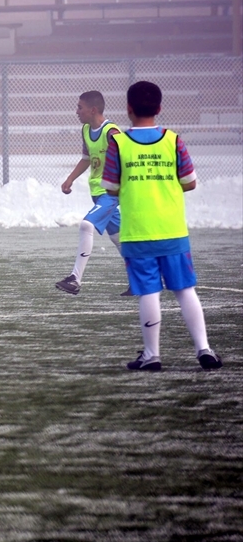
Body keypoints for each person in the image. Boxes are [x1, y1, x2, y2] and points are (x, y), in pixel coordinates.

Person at [102, 81, 221, 371]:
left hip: (138, 231)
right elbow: (189, 182)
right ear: (159, 108)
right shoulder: (173, 139)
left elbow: (110, 187)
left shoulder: (118, 143)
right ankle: (204, 349)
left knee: (149, 292)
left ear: (128, 109)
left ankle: (152, 354)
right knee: (185, 290)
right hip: (173, 230)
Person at [55, 91, 124, 295]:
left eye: (79, 107)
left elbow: (126, 159)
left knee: (87, 225)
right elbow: (87, 158)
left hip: (110, 193)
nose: (76, 111)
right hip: (97, 192)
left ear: (93, 110)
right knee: (120, 239)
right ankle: (144, 279)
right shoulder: (86, 129)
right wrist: (70, 178)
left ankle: (75, 279)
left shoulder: (112, 132)